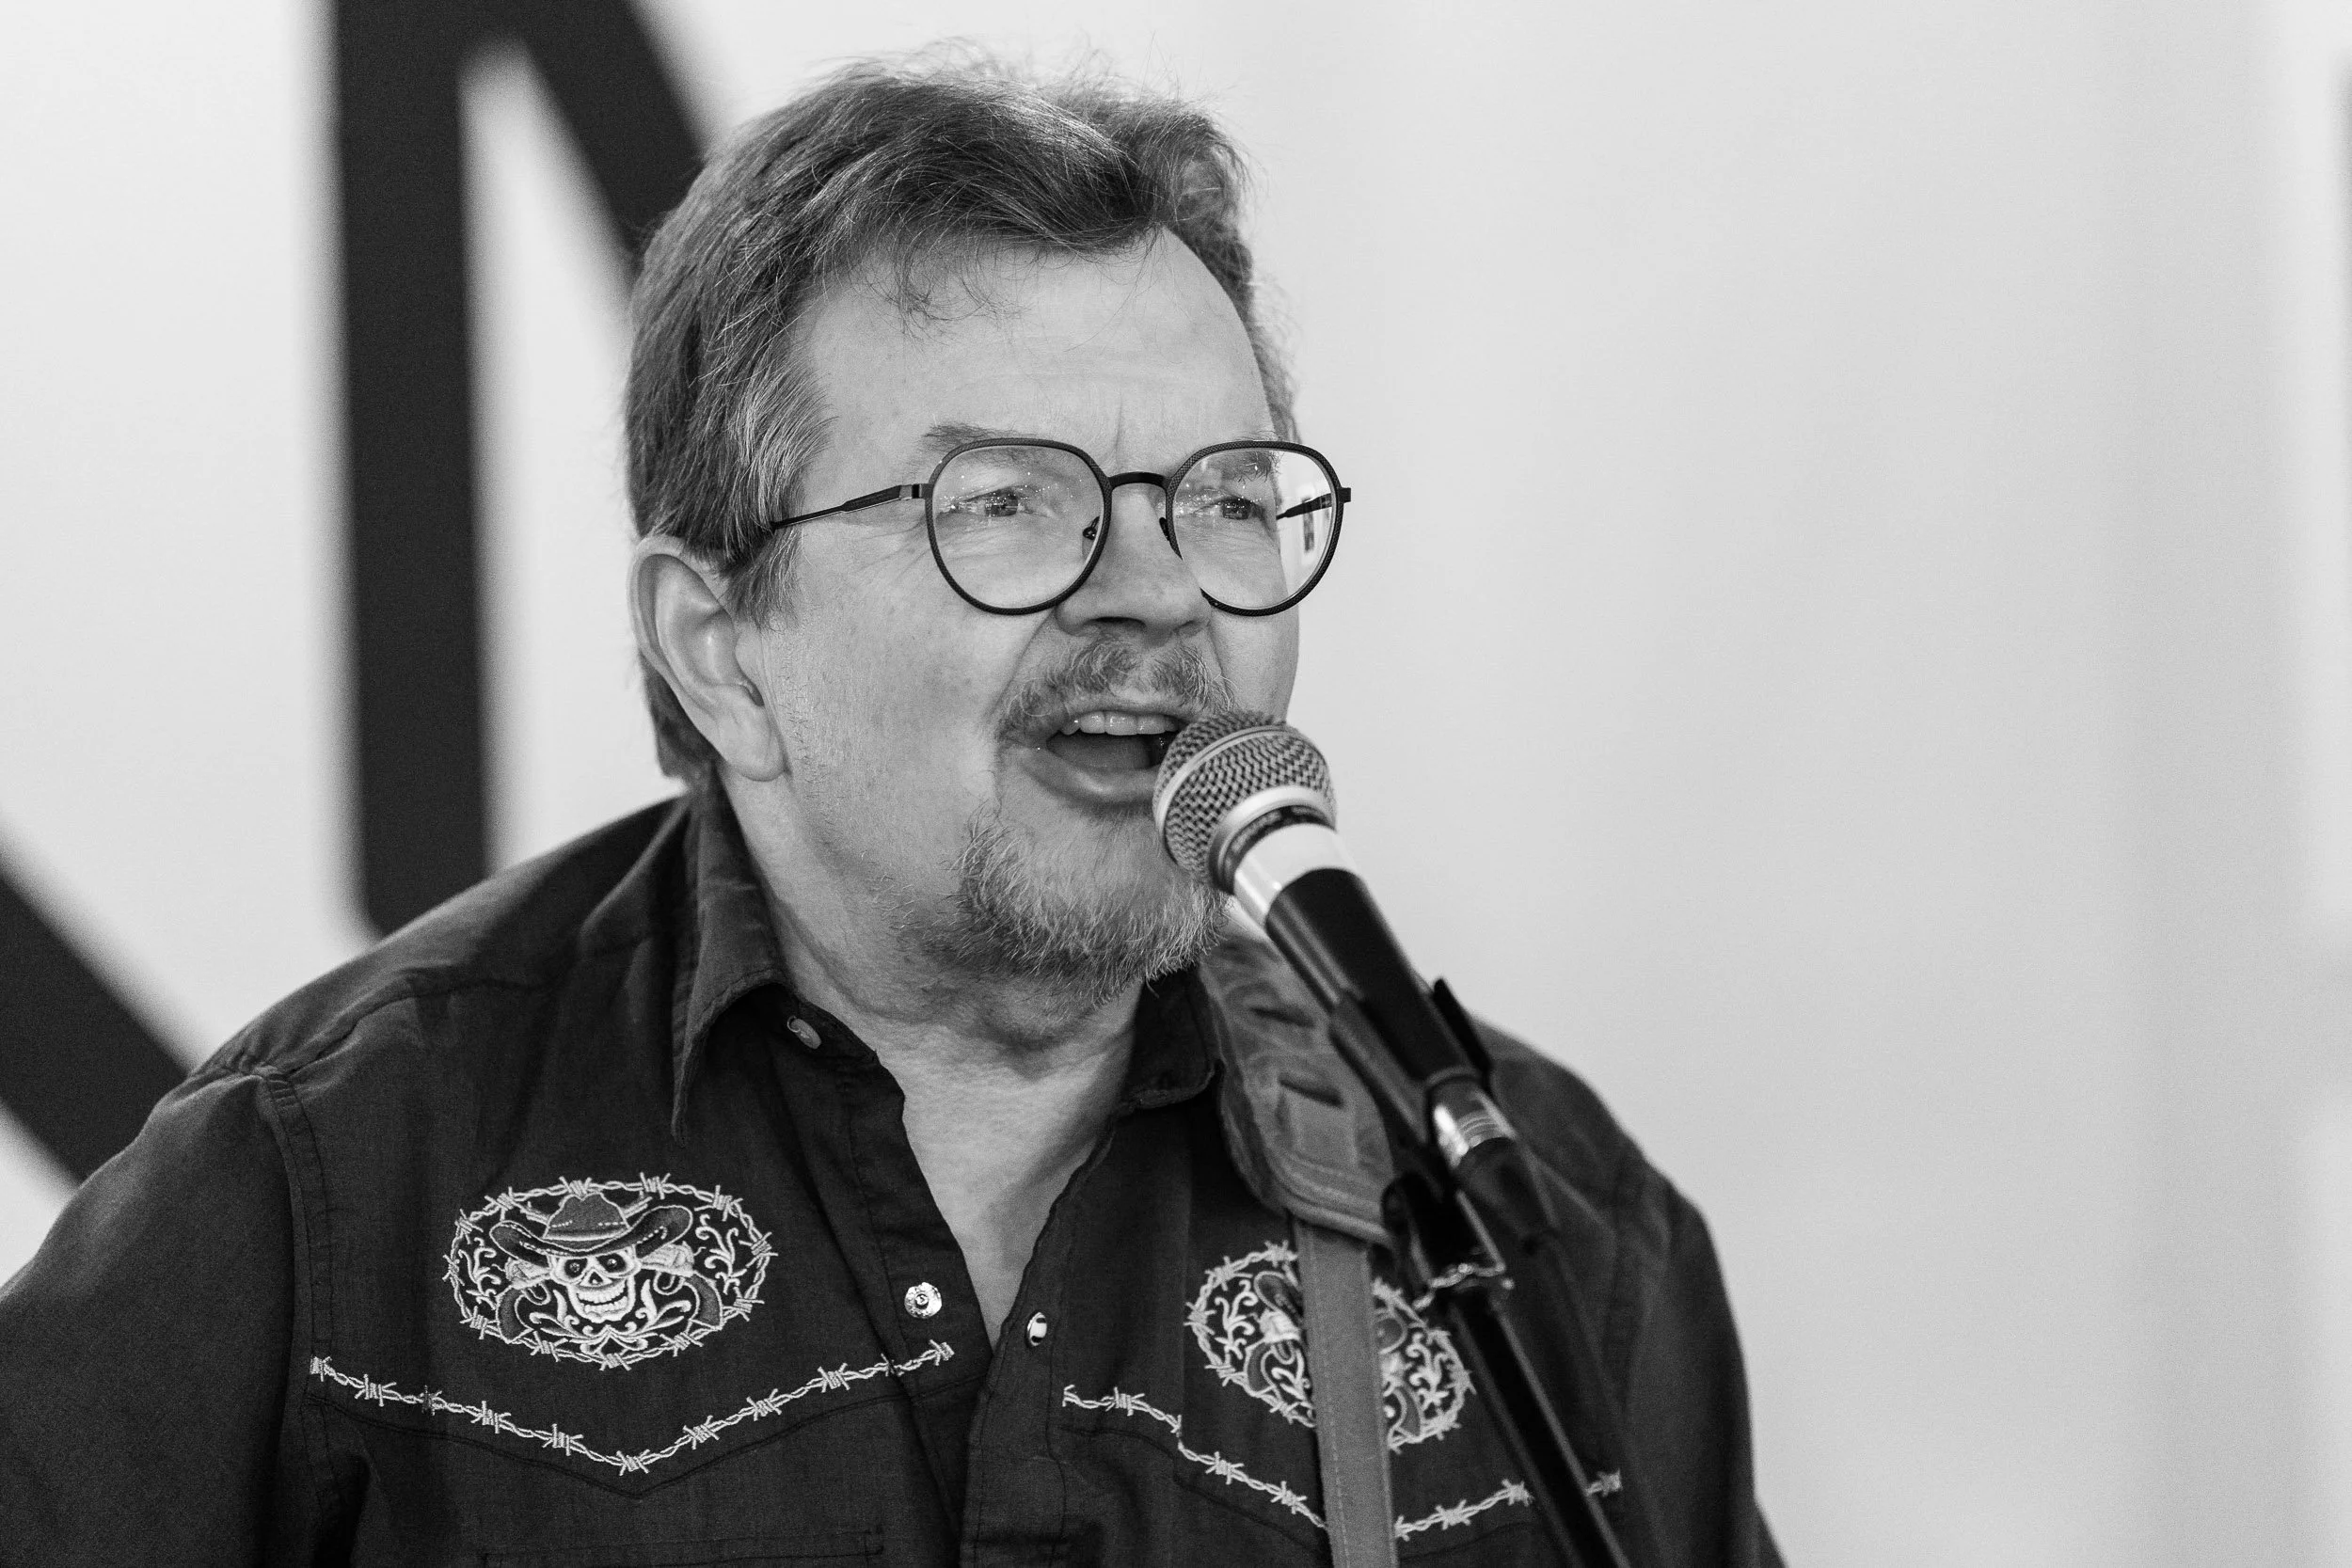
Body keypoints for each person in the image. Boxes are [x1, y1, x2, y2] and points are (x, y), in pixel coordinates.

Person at [0, 52, 1782, 1567]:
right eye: (1006, 501)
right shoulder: (326, 1180)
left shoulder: (1546, 1229)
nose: (1160, 593)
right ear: (720, 650)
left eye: (1229, 498)